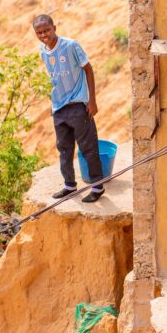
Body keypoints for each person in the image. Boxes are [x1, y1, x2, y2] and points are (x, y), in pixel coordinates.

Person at [32, 14, 105, 203]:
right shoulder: (43, 51)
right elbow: (55, 78)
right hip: (59, 107)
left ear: (54, 27)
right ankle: (70, 186)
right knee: (64, 149)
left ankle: (97, 187)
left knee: (88, 148)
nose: (44, 35)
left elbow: (88, 70)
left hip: (78, 106)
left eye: (47, 30)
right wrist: (54, 104)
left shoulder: (71, 46)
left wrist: (92, 101)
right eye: (39, 32)